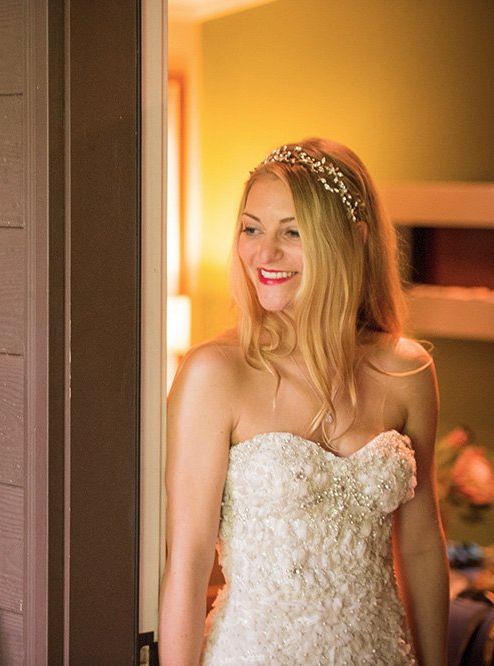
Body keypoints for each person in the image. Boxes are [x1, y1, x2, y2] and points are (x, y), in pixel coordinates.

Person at [159, 138, 448, 665]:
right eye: (252, 228)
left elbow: (422, 546)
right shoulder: (214, 374)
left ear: (354, 239)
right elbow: (188, 563)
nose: (264, 253)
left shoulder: (407, 372)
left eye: (292, 232)